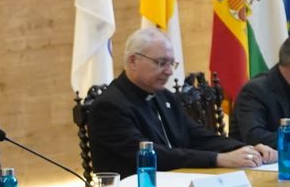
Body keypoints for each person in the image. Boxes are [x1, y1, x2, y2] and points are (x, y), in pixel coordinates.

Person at [88, 29, 276, 178]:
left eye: (172, 64)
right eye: (161, 63)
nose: (169, 71)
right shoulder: (110, 106)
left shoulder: (165, 97)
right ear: (133, 61)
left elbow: (198, 136)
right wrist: (218, 159)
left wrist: (245, 149)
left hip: (176, 183)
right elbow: (154, 155)